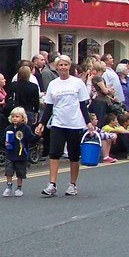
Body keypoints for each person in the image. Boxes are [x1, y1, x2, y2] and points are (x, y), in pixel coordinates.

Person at [35, 54, 93, 197]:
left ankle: (72, 184)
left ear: (69, 66)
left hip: (74, 123)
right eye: (60, 65)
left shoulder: (77, 83)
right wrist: (41, 123)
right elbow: (49, 106)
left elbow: (82, 105)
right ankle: (52, 184)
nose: (63, 67)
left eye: (65, 65)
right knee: (54, 153)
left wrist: (88, 122)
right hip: (58, 123)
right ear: (57, 67)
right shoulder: (53, 85)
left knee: (74, 155)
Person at [2, 107, 37, 197]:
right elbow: (2, 138)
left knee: (20, 172)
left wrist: (38, 135)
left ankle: (19, 188)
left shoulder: (26, 128)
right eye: (13, 116)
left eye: (17, 116)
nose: (15, 118)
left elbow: (31, 138)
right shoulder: (8, 128)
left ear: (23, 118)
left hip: (21, 155)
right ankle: (9, 187)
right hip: (10, 154)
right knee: (8, 171)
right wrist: (5, 142)